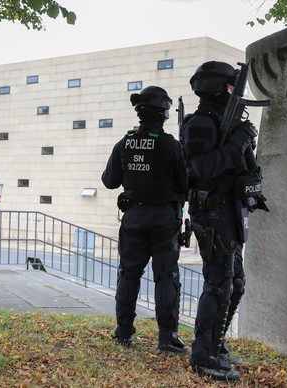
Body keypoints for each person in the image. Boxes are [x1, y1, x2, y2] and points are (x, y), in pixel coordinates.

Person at [180, 61, 268, 380]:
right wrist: (237, 142)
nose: (235, 93)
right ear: (217, 88)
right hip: (213, 213)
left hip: (230, 212)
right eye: (231, 87)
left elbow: (240, 169)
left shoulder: (223, 123)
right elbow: (204, 169)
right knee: (219, 284)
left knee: (235, 284)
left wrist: (247, 160)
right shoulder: (201, 124)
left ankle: (214, 344)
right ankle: (203, 355)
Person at [101, 86, 188, 355]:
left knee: (128, 274)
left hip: (133, 217)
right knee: (166, 277)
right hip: (164, 218)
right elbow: (187, 185)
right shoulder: (171, 145)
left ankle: (123, 331)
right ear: (163, 113)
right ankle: (167, 337)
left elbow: (109, 181)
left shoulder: (124, 143)